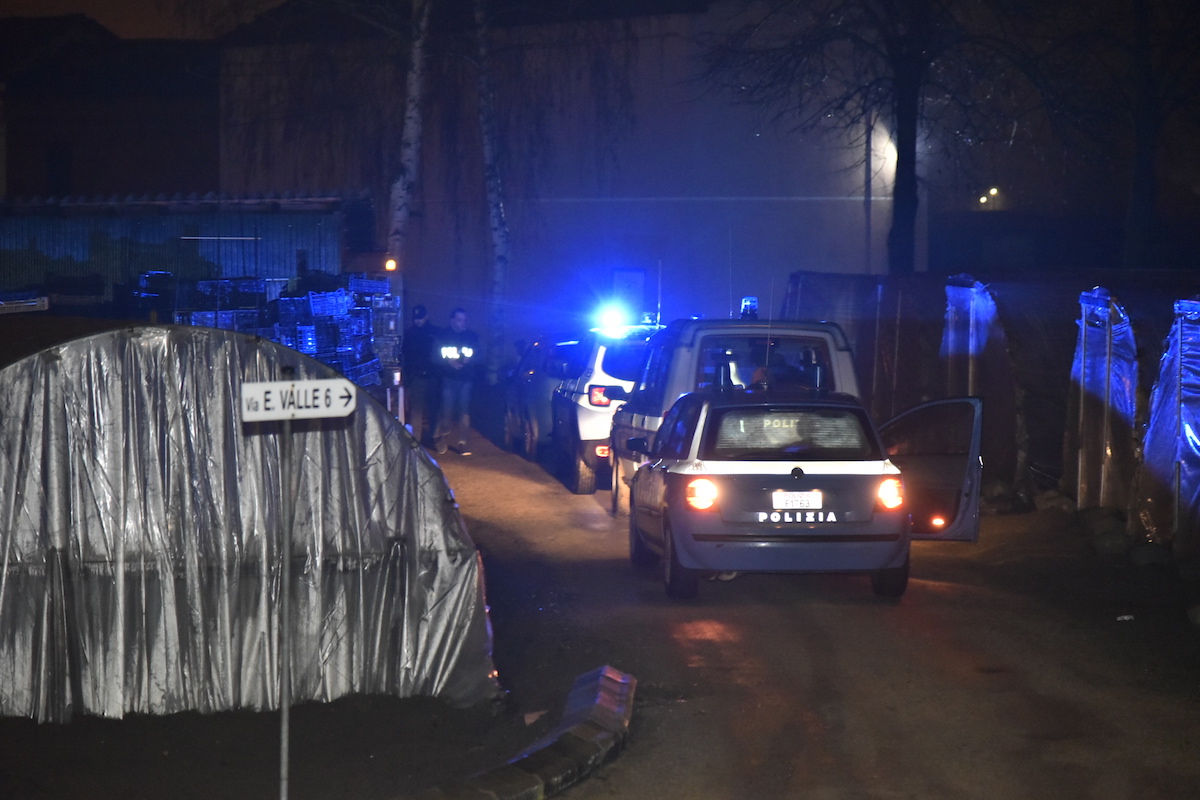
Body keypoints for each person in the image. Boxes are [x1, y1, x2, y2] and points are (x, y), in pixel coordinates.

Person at [434, 307, 481, 455]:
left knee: (464, 411)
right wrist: (449, 363)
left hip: (466, 379)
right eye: (459, 320)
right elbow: (434, 356)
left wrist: (470, 359)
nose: (463, 323)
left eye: (465, 320)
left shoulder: (472, 337)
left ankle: (463, 443)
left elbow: (480, 356)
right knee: (447, 410)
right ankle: (443, 435)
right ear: (452, 320)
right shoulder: (443, 335)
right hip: (448, 378)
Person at [401, 304, 440, 447]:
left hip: (432, 376)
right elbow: (405, 355)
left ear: (426, 317)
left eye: (420, 318)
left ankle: (435, 437)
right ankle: (416, 439)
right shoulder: (410, 333)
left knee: (433, 409)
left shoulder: (435, 332)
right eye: (416, 318)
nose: (418, 321)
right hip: (417, 376)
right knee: (417, 409)